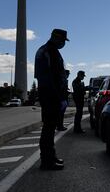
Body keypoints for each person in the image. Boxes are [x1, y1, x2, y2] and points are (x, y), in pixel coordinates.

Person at [34, 28, 69, 170]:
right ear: (57, 38)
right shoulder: (51, 51)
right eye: (63, 40)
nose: (63, 43)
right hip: (51, 94)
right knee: (49, 128)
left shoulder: (45, 50)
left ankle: (50, 157)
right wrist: (60, 97)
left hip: (47, 93)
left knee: (49, 127)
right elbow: (54, 77)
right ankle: (47, 161)